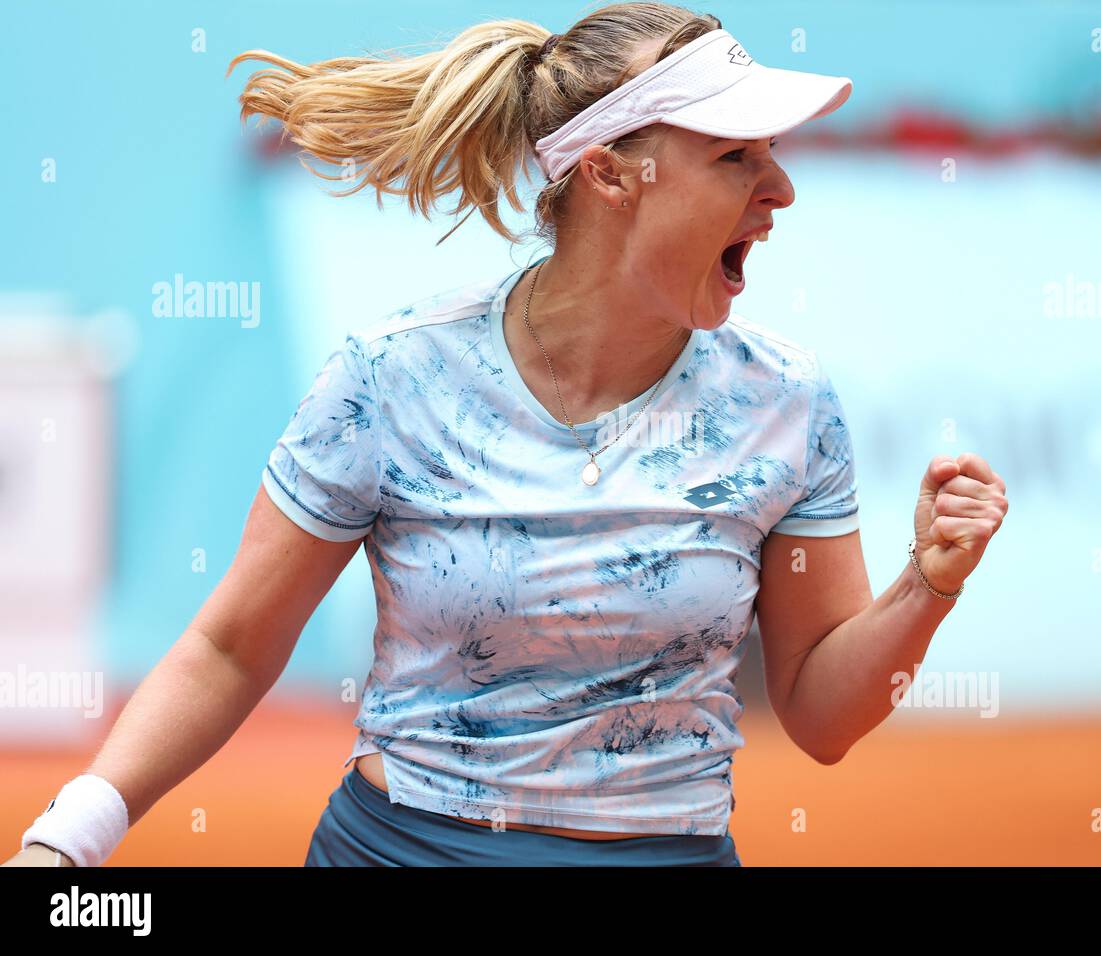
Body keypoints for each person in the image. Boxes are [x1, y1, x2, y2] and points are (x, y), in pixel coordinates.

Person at [5, 2, 1008, 868]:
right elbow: (231, 648)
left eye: (773, 156)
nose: (780, 190)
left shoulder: (787, 400)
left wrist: (927, 586)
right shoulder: (390, 376)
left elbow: (820, 715)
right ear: (613, 176)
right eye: (734, 156)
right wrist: (70, 834)